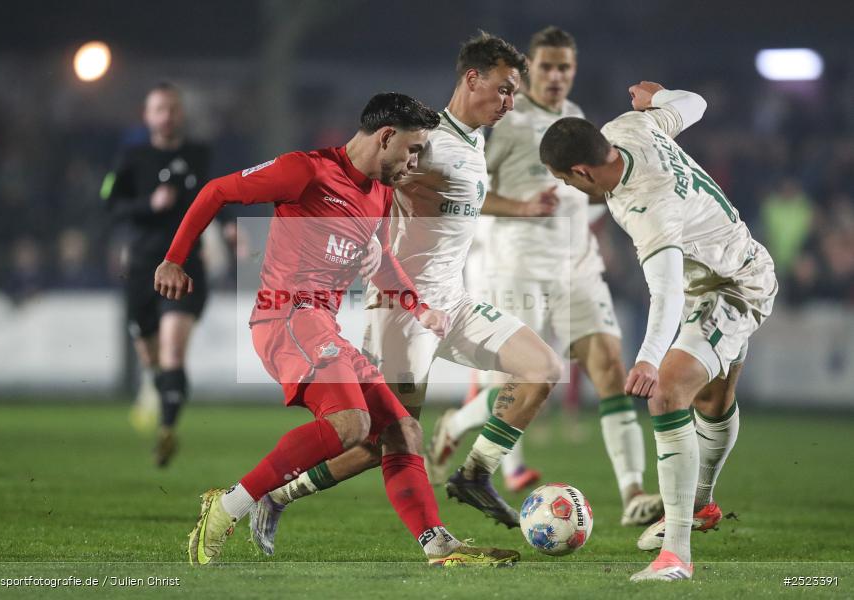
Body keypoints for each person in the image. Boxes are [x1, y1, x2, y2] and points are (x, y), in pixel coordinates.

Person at [154, 92, 520, 567]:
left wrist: (418, 307)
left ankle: (439, 547)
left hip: (322, 327)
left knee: (402, 431)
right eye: (412, 150)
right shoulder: (305, 170)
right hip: (286, 318)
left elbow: (379, 259)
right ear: (385, 137)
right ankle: (228, 506)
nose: (415, 163)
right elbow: (216, 191)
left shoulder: (380, 193)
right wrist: (174, 259)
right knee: (352, 425)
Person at [253, 33, 563, 555]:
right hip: (404, 312)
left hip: (454, 303)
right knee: (385, 441)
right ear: (472, 79)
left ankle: (474, 474)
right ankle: (278, 494)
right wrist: (351, 241)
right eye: (505, 89)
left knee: (543, 368)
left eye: (515, 92)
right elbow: (364, 176)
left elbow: (461, 198)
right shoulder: (425, 140)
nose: (511, 101)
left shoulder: (472, 140)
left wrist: (523, 209)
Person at [539, 81, 777, 581]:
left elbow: (665, 292)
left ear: (582, 170)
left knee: (667, 393)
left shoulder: (648, 207)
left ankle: (676, 555)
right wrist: (661, 97)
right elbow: (697, 104)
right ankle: (701, 505)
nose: (571, 189)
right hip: (721, 270)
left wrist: (648, 358)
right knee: (713, 399)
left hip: (732, 286)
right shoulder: (629, 127)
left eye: (566, 180)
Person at [427, 26, 663, 526]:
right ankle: (459, 423)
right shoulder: (506, 125)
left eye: (565, 67)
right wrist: (522, 207)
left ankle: (633, 493)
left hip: (577, 266)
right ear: (531, 70)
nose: (557, 76)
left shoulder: (574, 116)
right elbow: (469, 192)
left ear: (574, 71)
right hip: (519, 268)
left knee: (610, 367)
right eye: (548, 67)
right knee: (529, 378)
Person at [102, 82, 211, 466]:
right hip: (141, 268)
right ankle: (159, 387)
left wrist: (230, 227)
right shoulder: (132, 157)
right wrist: (149, 204)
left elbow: (215, 197)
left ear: (182, 114)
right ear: (147, 116)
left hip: (185, 265)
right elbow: (109, 201)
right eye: (160, 109)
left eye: (173, 109)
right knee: (151, 357)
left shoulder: (199, 154)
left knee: (172, 350)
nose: (167, 116)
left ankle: (166, 430)